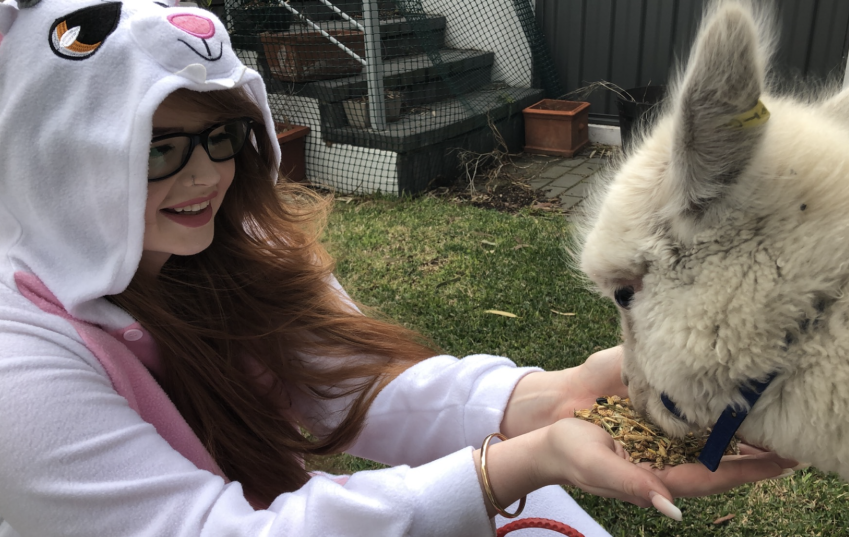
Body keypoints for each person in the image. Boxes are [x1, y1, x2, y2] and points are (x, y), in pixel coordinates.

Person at [0, 0, 797, 535]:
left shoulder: (240, 251)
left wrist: (562, 393)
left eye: (222, 137)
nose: (208, 177)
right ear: (58, 158)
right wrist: (517, 460)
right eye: (162, 147)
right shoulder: (19, 364)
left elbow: (367, 387)